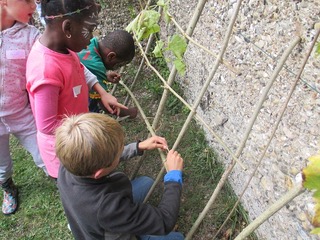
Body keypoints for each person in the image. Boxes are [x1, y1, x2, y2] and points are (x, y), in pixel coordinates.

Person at [26, 0, 127, 180]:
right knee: (80, 186)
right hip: (67, 153)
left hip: (79, 133)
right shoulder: (45, 71)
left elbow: (79, 67)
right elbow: (47, 126)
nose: (91, 39)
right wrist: (89, 129)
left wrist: (102, 92)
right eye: (90, 30)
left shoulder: (64, 49)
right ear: (68, 28)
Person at [56, 112, 185, 240]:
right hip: (113, 232)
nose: (121, 152)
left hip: (90, 219)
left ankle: (132, 222)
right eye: (118, 154)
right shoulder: (108, 208)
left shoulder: (68, 164)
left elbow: (102, 158)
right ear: (99, 173)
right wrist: (174, 177)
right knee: (178, 238)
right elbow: (165, 221)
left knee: (146, 182)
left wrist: (137, 147)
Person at [0, 0, 47, 215]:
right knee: (1, 164)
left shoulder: (31, 36)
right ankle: (7, 186)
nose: (34, 3)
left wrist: (95, 85)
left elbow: (55, 57)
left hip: (21, 113)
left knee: (46, 154)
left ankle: (67, 185)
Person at [78, 30, 138, 118]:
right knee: (92, 109)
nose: (116, 68)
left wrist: (104, 76)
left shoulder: (89, 42)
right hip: (72, 97)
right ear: (111, 56)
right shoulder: (97, 68)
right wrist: (129, 112)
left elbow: (87, 69)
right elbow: (106, 105)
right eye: (118, 64)